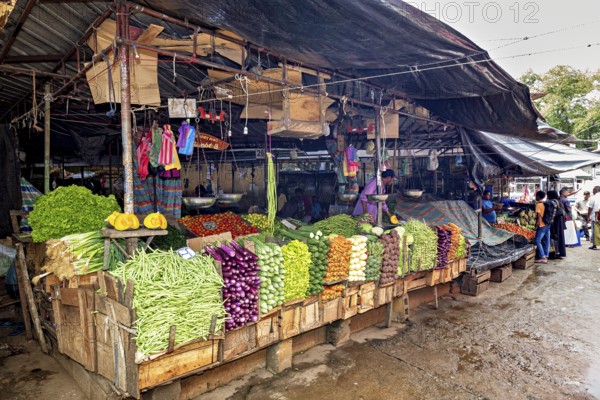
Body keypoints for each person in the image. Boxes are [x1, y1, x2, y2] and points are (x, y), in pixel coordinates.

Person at [547, 190, 566, 259]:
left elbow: (551, 213)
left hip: (555, 222)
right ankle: (559, 253)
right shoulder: (559, 201)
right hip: (560, 222)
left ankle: (554, 254)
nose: (547, 197)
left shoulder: (552, 202)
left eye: (548, 195)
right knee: (558, 237)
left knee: (554, 237)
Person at [534, 191, 550, 264]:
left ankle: (542, 257)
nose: (535, 197)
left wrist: (536, 225)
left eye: (536, 196)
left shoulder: (538, 205)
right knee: (547, 240)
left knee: (537, 241)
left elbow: (538, 216)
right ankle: (546, 255)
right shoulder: (546, 203)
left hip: (542, 225)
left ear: (538, 196)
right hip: (548, 224)